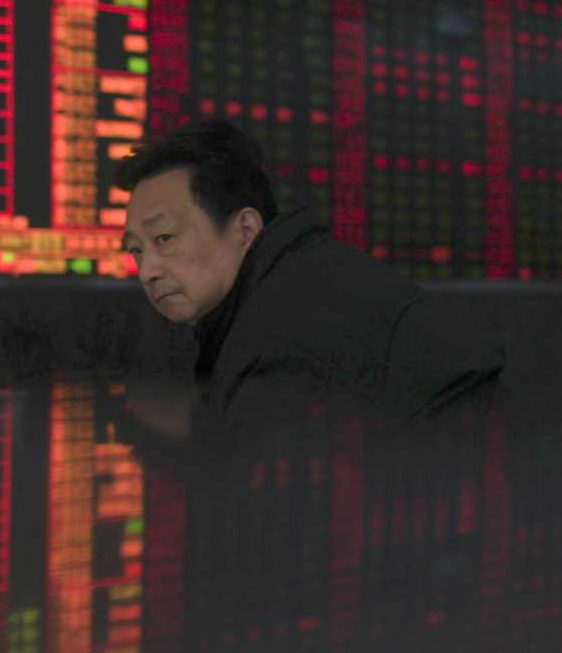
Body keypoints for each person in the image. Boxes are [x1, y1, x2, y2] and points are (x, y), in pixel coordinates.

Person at [115, 119, 506, 443]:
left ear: (245, 229)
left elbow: (278, 511)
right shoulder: (300, 276)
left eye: (164, 239)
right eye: (136, 251)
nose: (148, 269)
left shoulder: (277, 340)